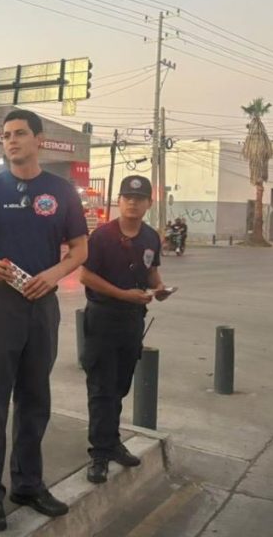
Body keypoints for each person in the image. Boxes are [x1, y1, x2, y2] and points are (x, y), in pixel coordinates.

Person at [0, 110, 88, 531]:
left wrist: (53, 275)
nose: (11, 141)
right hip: (0, 307)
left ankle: (28, 484)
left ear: (39, 139)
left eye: (19, 134)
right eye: (6, 135)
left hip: (42, 306)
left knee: (35, 399)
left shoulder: (61, 191)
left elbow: (80, 249)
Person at [79, 176, 169, 484]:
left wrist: (160, 288)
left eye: (139, 198)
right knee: (101, 387)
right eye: (127, 197)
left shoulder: (151, 237)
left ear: (149, 203)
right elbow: (86, 276)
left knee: (119, 386)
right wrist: (122, 294)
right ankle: (99, 453)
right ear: (119, 201)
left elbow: (151, 271)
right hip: (103, 318)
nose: (132, 202)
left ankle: (112, 441)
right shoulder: (102, 236)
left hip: (132, 321)